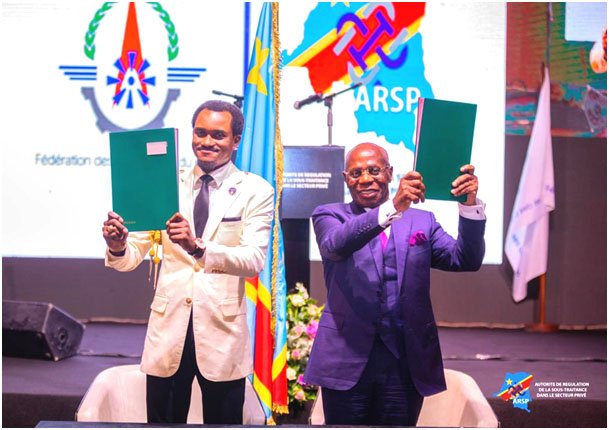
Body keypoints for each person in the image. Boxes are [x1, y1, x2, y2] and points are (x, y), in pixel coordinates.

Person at [102, 100, 274, 424]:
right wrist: (118, 244)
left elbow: (253, 260)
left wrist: (197, 248)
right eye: (200, 132)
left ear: (236, 140)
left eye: (218, 135)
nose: (207, 141)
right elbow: (131, 257)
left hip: (222, 334)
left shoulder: (255, 190)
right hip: (168, 331)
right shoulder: (165, 183)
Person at [304, 142, 486, 425]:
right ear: (346, 179)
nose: (365, 179)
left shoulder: (422, 221)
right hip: (345, 359)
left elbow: (465, 259)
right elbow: (335, 245)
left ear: (389, 173)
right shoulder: (330, 215)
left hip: (405, 362)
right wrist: (392, 208)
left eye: (374, 170)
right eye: (356, 173)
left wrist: (469, 205)